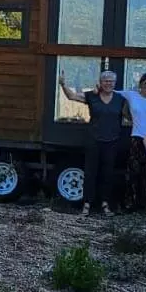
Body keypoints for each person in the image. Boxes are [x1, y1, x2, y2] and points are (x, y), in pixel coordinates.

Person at [58, 68, 128, 218]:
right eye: (105, 81)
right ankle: (87, 204)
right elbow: (72, 97)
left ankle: (105, 204)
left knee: (107, 174)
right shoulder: (92, 96)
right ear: (100, 82)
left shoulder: (120, 99)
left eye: (111, 81)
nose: (108, 83)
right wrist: (63, 85)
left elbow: (131, 115)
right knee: (90, 173)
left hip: (112, 141)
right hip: (94, 140)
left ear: (115, 83)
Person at [115, 72, 146, 210]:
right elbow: (113, 92)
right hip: (137, 138)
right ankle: (130, 203)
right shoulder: (132, 96)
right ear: (141, 84)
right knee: (133, 172)